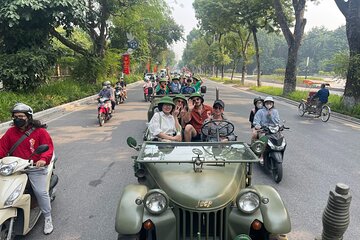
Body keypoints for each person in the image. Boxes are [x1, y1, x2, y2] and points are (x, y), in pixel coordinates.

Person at [0, 103, 55, 234]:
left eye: (21, 116)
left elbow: (48, 148)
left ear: (28, 117)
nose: (18, 119)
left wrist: (42, 159)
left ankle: (48, 217)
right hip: (15, 168)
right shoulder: (10, 132)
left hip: (34, 167)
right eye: (15, 116)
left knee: (41, 192)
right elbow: (1, 148)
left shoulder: (40, 132)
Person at [253, 96, 281, 164]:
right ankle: (261, 156)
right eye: (267, 103)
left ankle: (278, 151)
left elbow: (277, 122)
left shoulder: (275, 111)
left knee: (280, 137)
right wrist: (258, 127)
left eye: (270, 103)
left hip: (273, 129)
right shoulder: (260, 111)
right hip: (263, 129)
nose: (269, 104)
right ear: (264, 103)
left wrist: (271, 116)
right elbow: (256, 121)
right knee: (263, 139)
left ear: (272, 104)